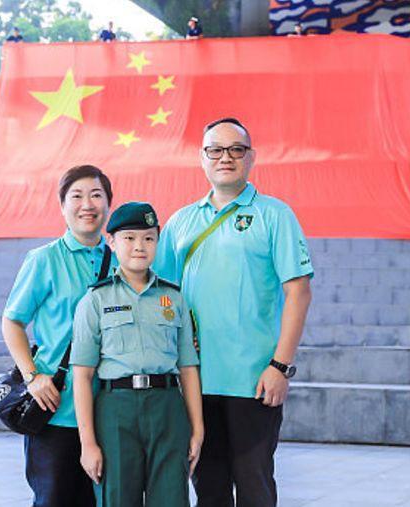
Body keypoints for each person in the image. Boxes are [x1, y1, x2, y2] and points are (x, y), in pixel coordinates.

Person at [155, 117, 313, 507]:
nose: (225, 157)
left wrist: (280, 366)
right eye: (215, 150)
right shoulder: (180, 222)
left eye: (235, 149)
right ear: (202, 158)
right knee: (208, 489)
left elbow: (299, 293)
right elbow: (161, 297)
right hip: (195, 381)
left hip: (254, 382)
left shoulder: (275, 215)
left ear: (250, 157)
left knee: (255, 486)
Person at [71, 202, 203, 507]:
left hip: (168, 407)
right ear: (113, 243)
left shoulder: (174, 297)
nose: (139, 246)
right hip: (116, 410)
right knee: (119, 498)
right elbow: (83, 375)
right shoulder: (96, 299)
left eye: (148, 238)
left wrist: (197, 429)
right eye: (129, 238)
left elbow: (188, 368)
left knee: (171, 499)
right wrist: (87, 443)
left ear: (157, 242)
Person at [2, 165, 114, 507]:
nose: (87, 204)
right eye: (76, 196)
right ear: (62, 205)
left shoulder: (121, 259)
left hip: (109, 411)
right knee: (54, 499)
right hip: (57, 409)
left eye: (96, 195)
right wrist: (32, 376)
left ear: (109, 203)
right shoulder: (44, 260)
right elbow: (12, 322)